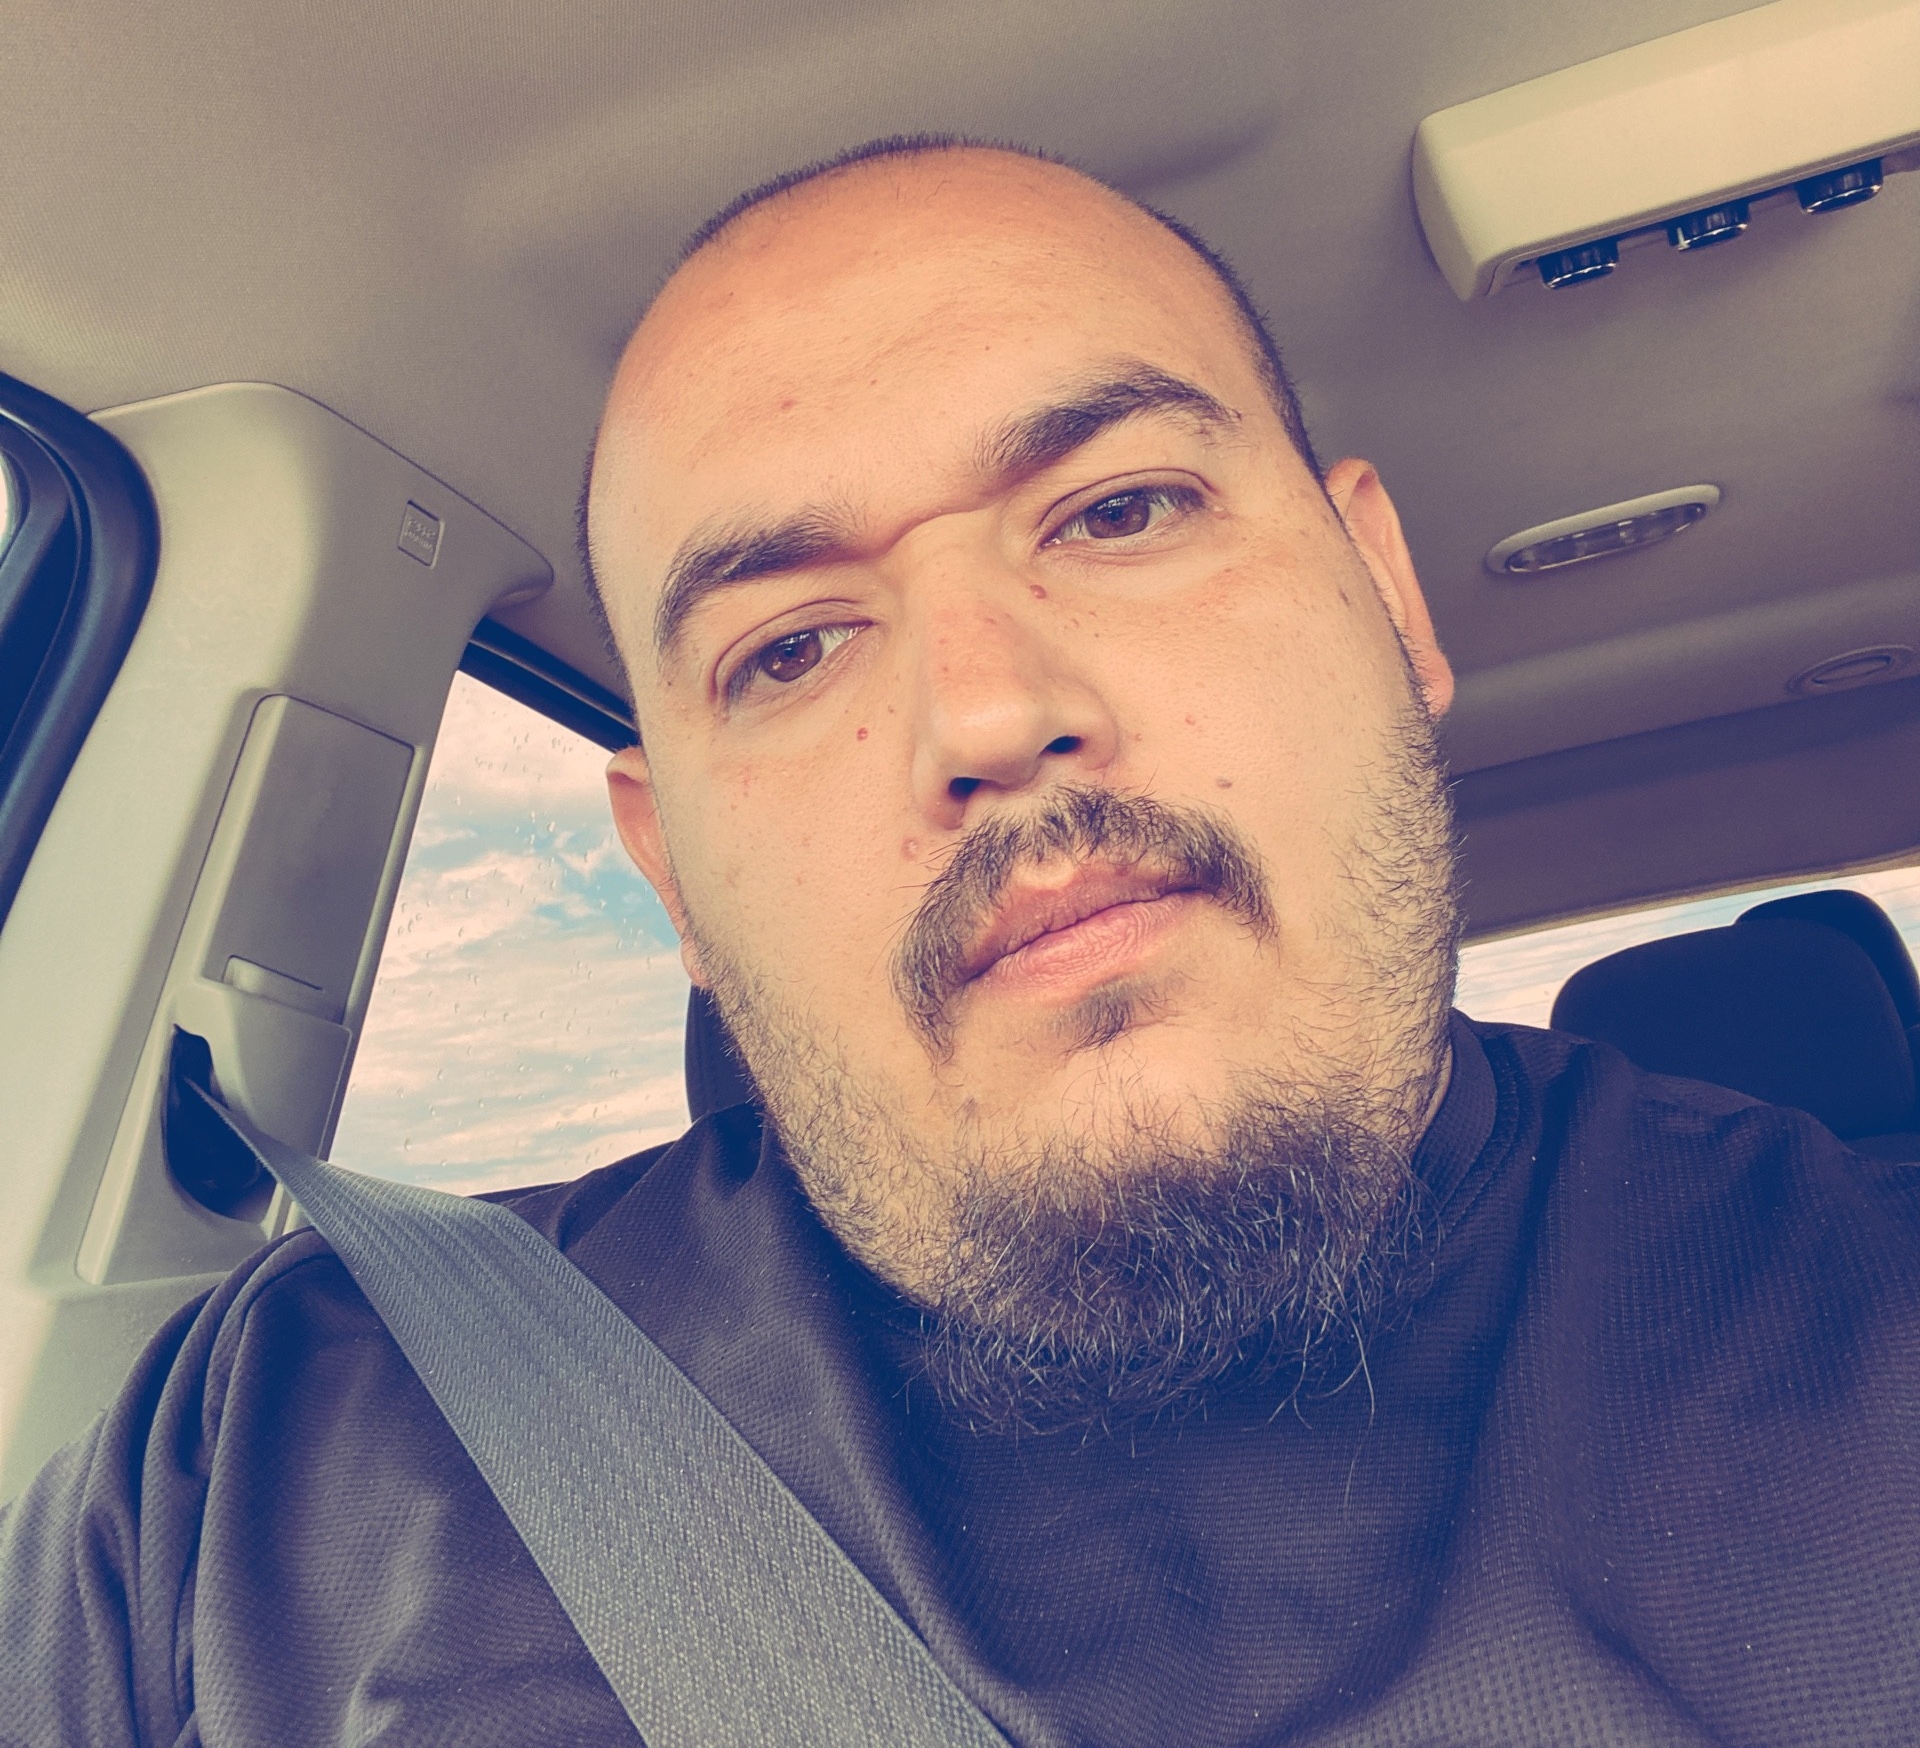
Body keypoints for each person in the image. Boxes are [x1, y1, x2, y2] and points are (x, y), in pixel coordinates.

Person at [4, 136, 1918, 1747]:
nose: (990, 711)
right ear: (671, 873)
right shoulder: (262, 1474)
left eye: (1121, 508)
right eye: (790, 648)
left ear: (1389, 598)